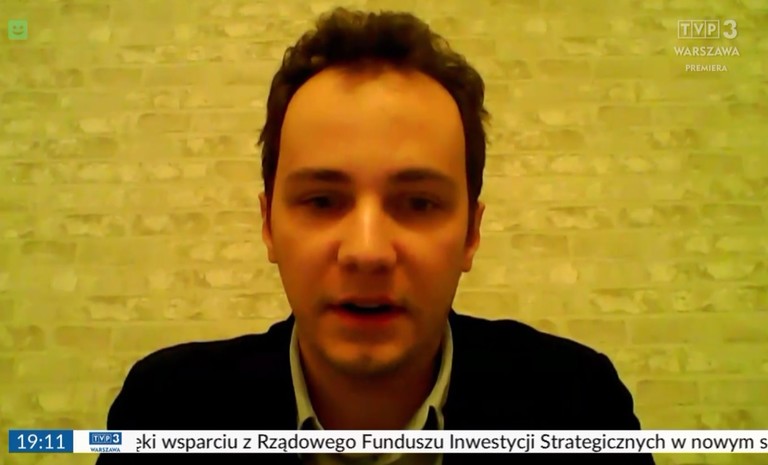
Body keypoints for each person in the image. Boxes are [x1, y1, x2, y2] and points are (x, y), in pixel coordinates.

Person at [96, 7, 655, 465]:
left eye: (418, 203)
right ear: (268, 225)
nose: (367, 252)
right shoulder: (163, 417)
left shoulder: (581, 411)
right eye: (322, 201)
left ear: (471, 234)